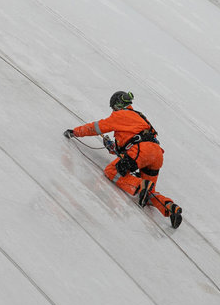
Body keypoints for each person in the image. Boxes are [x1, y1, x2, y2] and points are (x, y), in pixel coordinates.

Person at [64, 91, 182, 228]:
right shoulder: (139, 116)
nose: (113, 110)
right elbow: (133, 142)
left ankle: (140, 185)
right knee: (149, 193)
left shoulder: (119, 115)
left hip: (141, 150)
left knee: (112, 171)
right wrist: (112, 147)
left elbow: (96, 128)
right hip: (156, 155)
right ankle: (170, 208)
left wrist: (75, 132)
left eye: (113, 107)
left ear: (117, 105)